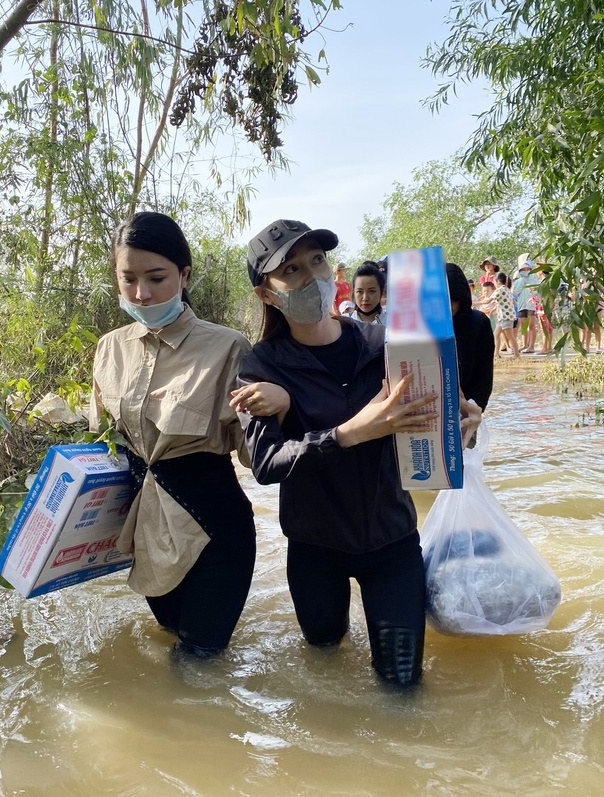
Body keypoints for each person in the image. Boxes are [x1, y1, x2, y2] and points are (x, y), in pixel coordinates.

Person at [230, 218, 480, 686]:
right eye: (293, 271)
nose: (312, 277)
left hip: (392, 540)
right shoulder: (261, 366)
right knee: (325, 663)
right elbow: (265, 464)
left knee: (402, 683)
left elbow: (434, 427)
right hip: (314, 548)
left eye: (317, 261)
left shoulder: (386, 344)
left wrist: (461, 419)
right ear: (267, 293)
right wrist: (347, 432)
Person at [89, 211, 288, 658]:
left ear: (183, 275)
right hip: (148, 534)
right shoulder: (109, 349)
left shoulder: (228, 347)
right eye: (129, 279)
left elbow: (262, 456)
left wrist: (283, 404)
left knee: (196, 663)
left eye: (157, 278)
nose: (142, 293)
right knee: (172, 636)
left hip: (215, 532)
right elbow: (103, 448)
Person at [446, 263, 494, 411]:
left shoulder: (478, 323)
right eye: (443, 300)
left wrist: (473, 408)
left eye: (453, 300)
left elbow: (484, 374)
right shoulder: (422, 327)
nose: (448, 306)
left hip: (468, 408)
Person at [491, 271, 520, 358]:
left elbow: (488, 300)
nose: (494, 284)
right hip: (504, 317)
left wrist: (474, 303)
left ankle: (517, 355)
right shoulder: (507, 290)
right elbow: (514, 302)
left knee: (510, 336)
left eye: (494, 281)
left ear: (498, 282)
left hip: (505, 317)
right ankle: (496, 354)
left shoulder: (499, 290)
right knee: (496, 334)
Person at [512, 257, 538, 353]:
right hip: (521, 305)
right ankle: (524, 345)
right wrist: (522, 281)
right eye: (523, 269)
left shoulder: (534, 280)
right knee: (523, 326)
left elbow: (536, 292)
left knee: (531, 325)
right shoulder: (518, 281)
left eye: (527, 269)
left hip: (531, 305)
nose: (525, 271)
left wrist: (533, 292)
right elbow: (515, 292)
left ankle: (531, 346)